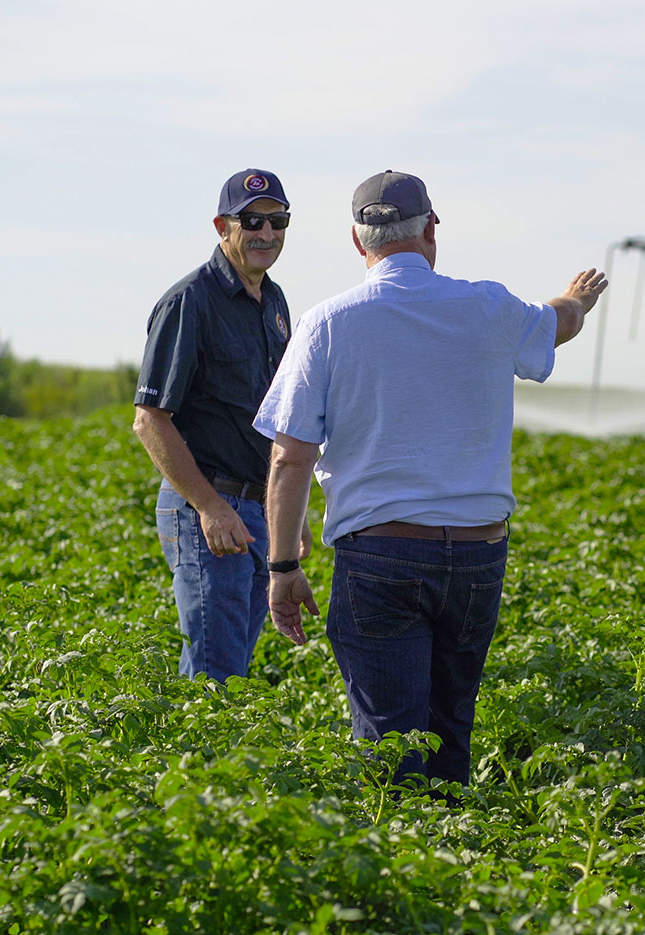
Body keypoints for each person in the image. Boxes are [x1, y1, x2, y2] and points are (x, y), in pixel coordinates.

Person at [253, 169, 606, 787]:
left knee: (390, 742)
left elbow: (290, 458)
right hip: (477, 555)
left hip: (380, 555)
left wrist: (283, 567)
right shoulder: (489, 308)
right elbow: (558, 324)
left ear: (358, 243)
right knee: (450, 728)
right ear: (432, 230)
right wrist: (576, 298)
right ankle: (456, 858)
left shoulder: (328, 323)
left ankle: (403, 864)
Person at [133, 168, 310, 682]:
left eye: (279, 221)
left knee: (229, 673)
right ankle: (193, 765)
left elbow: (277, 413)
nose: (267, 233)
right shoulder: (191, 300)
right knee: (216, 679)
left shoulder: (273, 302)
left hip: (258, 509)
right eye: (252, 220)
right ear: (222, 225)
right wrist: (208, 506)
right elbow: (150, 420)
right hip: (210, 510)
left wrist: (289, 513)